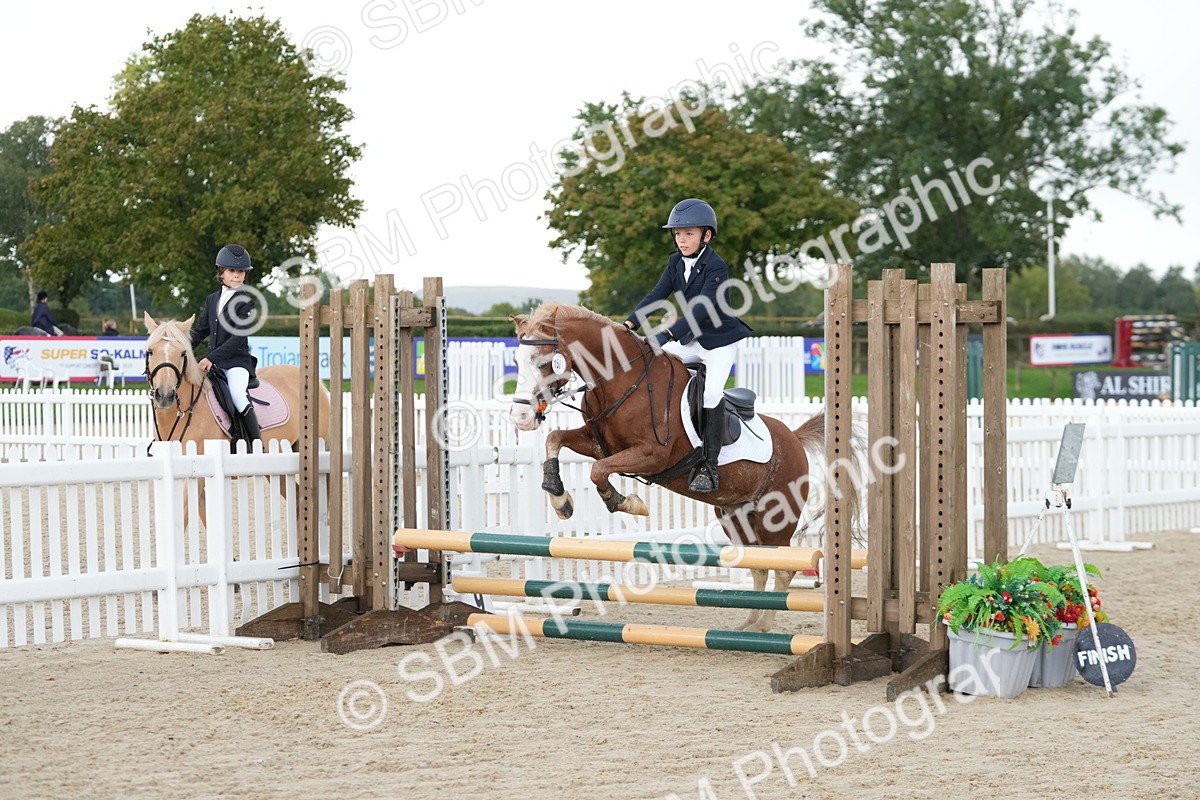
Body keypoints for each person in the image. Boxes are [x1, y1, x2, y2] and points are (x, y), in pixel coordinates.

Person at [623, 199, 753, 493]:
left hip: (718, 343)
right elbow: (657, 294)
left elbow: (701, 309)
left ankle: (710, 466)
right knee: (652, 363)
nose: (682, 239)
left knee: (711, 394)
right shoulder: (675, 263)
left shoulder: (716, 266)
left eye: (689, 234)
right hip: (692, 340)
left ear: (706, 235)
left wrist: (667, 334)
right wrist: (629, 324)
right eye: (678, 234)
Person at [190, 244, 261, 449]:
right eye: (232, 271)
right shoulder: (212, 299)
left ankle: (255, 444)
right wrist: (182, 347)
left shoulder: (246, 301)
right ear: (221, 272)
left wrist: (210, 358)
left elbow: (238, 337)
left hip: (236, 363)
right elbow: (201, 331)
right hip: (214, 363)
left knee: (238, 395)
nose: (237, 275)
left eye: (241, 271)